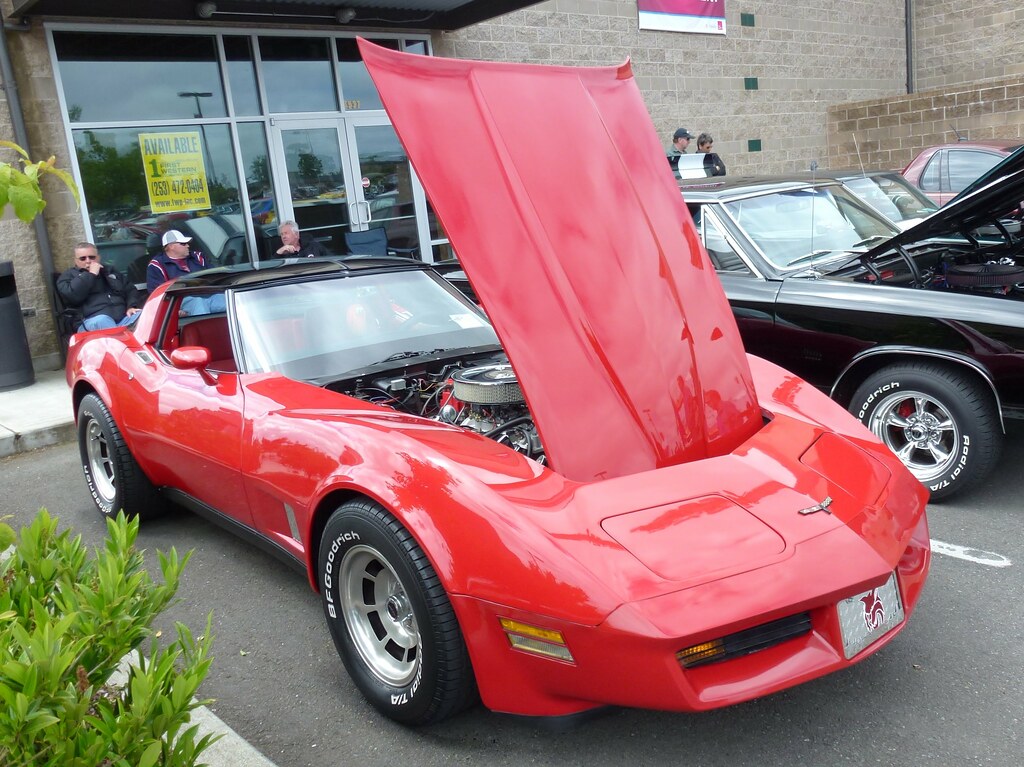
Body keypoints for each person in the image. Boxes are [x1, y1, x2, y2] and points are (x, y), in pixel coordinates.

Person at [56, 242, 141, 332]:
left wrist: (131, 306)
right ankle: (121, 342)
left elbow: (130, 289)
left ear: (98, 257)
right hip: (89, 322)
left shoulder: (109, 270)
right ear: (75, 261)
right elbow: (72, 296)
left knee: (146, 315)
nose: (88, 261)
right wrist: (91, 274)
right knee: (103, 320)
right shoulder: (68, 276)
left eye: (92, 257)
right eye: (82, 258)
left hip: (123, 320)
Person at [147, 229, 224, 315]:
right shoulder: (157, 265)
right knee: (198, 303)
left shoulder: (198, 257)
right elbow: (157, 294)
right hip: (182, 301)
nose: (187, 246)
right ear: (171, 246)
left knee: (228, 301)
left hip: (210, 295)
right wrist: (173, 310)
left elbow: (215, 276)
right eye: (183, 243)